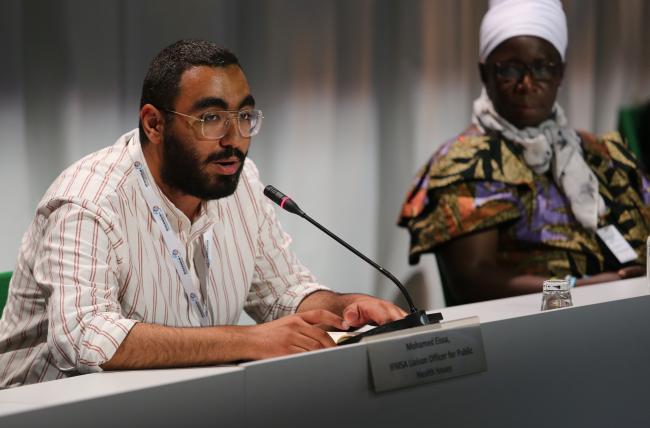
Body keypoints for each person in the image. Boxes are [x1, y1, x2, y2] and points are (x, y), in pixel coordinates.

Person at [0, 39, 406, 388]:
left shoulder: (241, 185)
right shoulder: (88, 201)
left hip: (183, 404)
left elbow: (281, 295)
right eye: (211, 119)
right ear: (154, 124)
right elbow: (86, 338)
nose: (234, 140)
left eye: (244, 117)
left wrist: (344, 306)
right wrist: (250, 341)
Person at [398, 0, 650, 305]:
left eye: (543, 67)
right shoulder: (468, 161)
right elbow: (472, 281)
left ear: (561, 74)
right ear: (485, 73)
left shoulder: (601, 154)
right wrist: (577, 291)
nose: (527, 84)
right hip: (527, 336)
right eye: (510, 69)